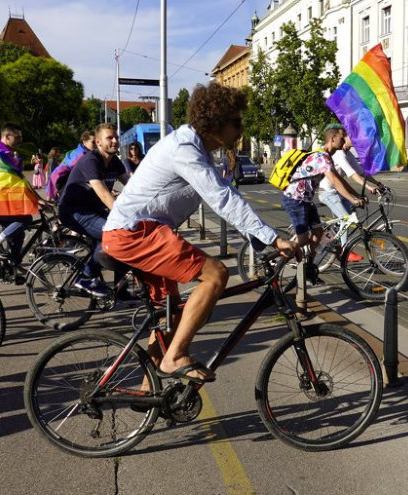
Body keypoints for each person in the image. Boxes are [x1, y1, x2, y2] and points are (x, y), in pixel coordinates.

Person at [102, 82, 296, 382]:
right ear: (216, 122)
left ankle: (148, 389)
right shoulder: (184, 149)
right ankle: (176, 356)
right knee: (217, 274)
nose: (240, 129)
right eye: (236, 122)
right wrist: (271, 237)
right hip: (134, 233)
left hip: (144, 232)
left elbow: (227, 198)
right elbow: (221, 198)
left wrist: (257, 241)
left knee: (173, 313)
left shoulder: (200, 151)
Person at [58, 123, 130, 298]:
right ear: (98, 142)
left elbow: (132, 185)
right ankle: (86, 277)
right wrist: (123, 214)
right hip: (74, 211)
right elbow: (104, 194)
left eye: (116, 138)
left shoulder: (114, 161)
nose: (115, 141)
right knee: (115, 235)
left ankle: (120, 290)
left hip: (93, 210)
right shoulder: (91, 160)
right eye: (109, 138)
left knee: (127, 234)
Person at [283, 126, 365, 264]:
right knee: (302, 239)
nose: (345, 139)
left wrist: (357, 195)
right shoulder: (322, 157)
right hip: (295, 199)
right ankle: (278, 258)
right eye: (342, 137)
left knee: (318, 233)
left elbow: (340, 180)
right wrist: (353, 199)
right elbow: (334, 181)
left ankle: (309, 267)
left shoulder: (328, 157)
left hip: (305, 200)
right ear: (332, 139)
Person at [0, 123, 42, 268]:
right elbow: (19, 180)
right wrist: (38, 199)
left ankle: (12, 266)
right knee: (25, 218)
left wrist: (38, 198)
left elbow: (18, 179)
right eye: (17, 137)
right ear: (6, 136)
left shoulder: (2, 151)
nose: (20, 140)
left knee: (17, 234)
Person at [318, 131, 384, 255]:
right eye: (351, 137)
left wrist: (378, 184)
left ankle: (338, 242)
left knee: (349, 217)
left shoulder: (348, 154)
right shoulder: (338, 154)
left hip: (339, 191)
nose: (356, 140)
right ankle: (344, 250)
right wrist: (368, 188)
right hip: (328, 192)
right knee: (347, 219)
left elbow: (361, 172)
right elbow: (351, 174)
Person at [47, 131, 95, 201]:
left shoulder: (80, 150)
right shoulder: (82, 154)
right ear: (84, 142)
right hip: (61, 177)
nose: (97, 144)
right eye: (93, 142)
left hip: (59, 175)